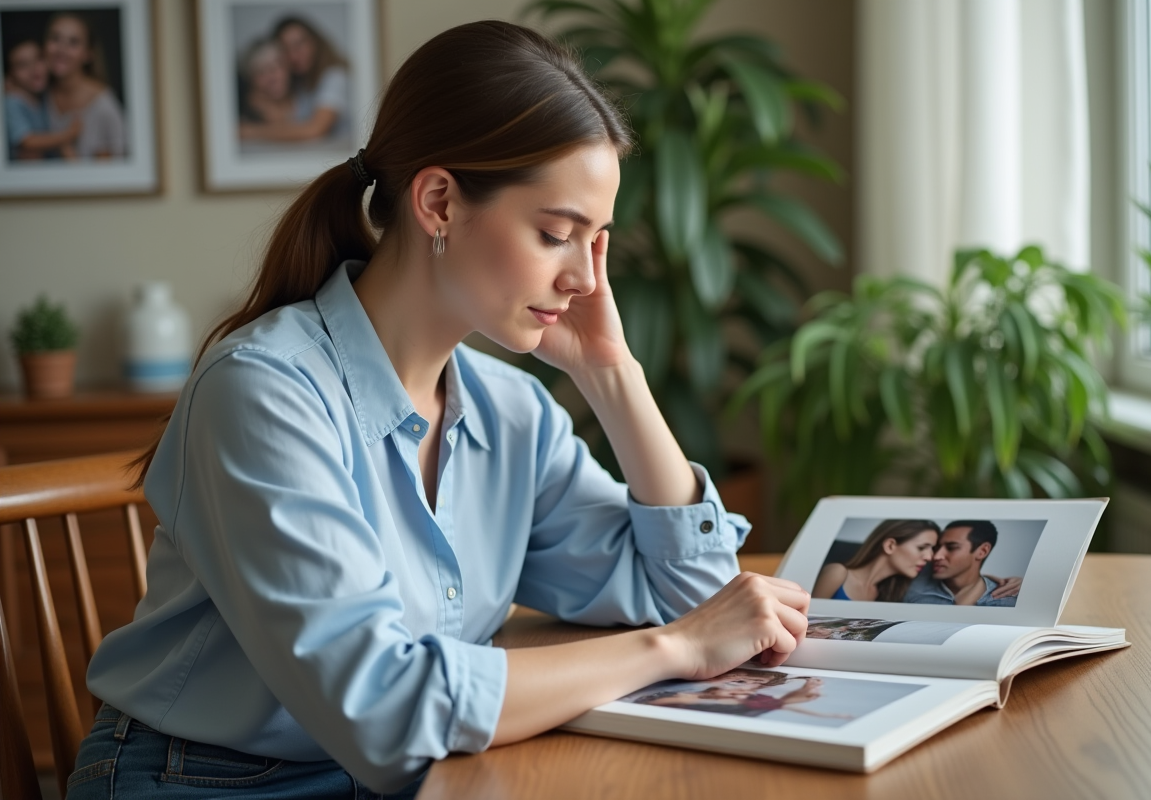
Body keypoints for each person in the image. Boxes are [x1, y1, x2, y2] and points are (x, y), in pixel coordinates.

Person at [66, 21, 812, 799]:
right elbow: (385, 708)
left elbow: (701, 597)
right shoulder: (262, 394)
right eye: (557, 234)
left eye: (599, 243)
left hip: (420, 778)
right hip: (209, 784)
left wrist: (613, 375)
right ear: (438, 202)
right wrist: (673, 650)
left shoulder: (510, 411)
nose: (587, 281)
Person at [239, 15, 350, 145]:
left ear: (315, 42)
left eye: (300, 43)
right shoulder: (301, 85)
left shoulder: (334, 76)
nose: (295, 54)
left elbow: (315, 129)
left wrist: (250, 131)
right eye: (287, 49)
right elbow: (290, 127)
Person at [43, 12, 126, 160]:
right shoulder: (39, 95)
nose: (61, 49)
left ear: (88, 53)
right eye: (55, 38)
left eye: (73, 42)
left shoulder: (104, 106)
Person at [635, 671, 852, 720]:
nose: (744, 689)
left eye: (750, 687)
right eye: (741, 682)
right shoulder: (690, 691)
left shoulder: (744, 703)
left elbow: (782, 703)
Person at [812, 520, 940, 602]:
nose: (929, 557)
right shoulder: (837, 573)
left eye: (932, 549)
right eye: (922, 548)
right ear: (890, 545)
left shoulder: (888, 595)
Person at [904, 520, 1020, 606]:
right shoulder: (911, 579)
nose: (936, 556)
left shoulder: (1007, 601)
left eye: (951, 547)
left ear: (982, 551)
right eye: (937, 547)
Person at [4, 38, 79, 160]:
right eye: (22, 65)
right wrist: (67, 136)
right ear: (9, 75)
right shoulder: (12, 101)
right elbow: (27, 141)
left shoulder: (45, 98)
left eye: (38, 59)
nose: (34, 69)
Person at [237, 37, 296, 130]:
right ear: (250, 80)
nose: (272, 78)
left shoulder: (305, 95)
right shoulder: (243, 112)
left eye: (275, 68)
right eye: (261, 72)